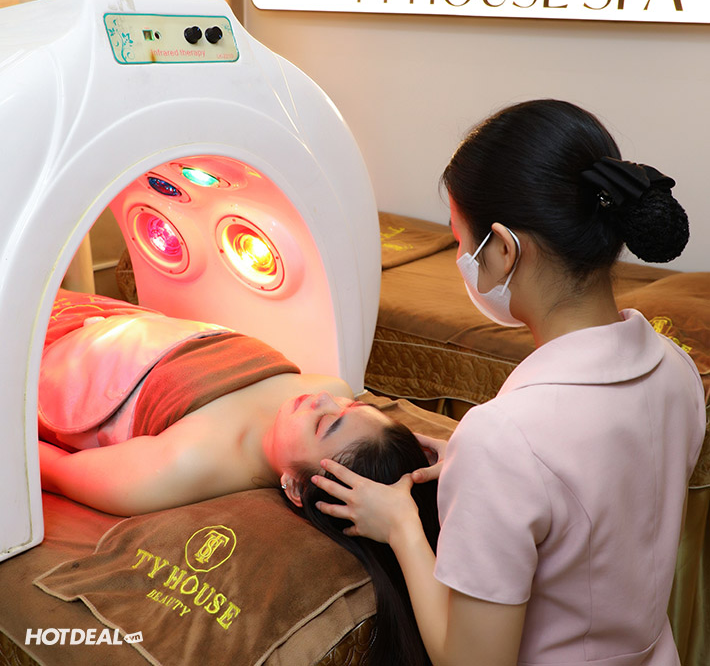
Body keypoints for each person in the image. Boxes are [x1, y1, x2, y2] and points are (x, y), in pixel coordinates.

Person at [313, 99, 706, 666]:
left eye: (459, 239)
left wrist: (402, 527)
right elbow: (607, 502)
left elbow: (471, 660)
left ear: (502, 248)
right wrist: (477, 467)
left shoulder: (505, 437)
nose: (460, 256)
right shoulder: (676, 367)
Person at [37, 289, 438, 666]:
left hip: (58, 352)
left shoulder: (182, 465)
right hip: (127, 318)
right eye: (349, 406)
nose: (323, 400)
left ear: (296, 488)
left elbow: (50, 470)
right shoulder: (330, 387)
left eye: (325, 424)